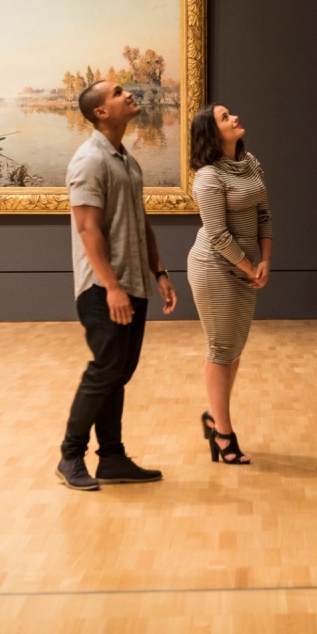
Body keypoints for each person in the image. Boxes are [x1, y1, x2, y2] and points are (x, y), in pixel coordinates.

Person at [60, 78, 177, 490]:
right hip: (102, 288)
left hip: (132, 283)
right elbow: (88, 229)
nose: (129, 94)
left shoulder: (126, 159)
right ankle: (70, 456)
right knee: (105, 370)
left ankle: (111, 457)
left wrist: (158, 271)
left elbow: (140, 221)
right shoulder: (89, 160)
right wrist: (111, 288)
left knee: (118, 373)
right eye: (117, 93)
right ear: (101, 112)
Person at [186, 104, 272, 465]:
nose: (235, 117)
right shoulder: (207, 177)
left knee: (233, 350)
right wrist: (249, 267)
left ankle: (214, 418)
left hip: (244, 268)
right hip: (213, 269)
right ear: (212, 133)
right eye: (224, 117)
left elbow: (264, 213)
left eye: (231, 113)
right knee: (221, 348)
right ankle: (223, 434)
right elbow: (218, 235)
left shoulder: (249, 162)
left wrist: (265, 259)